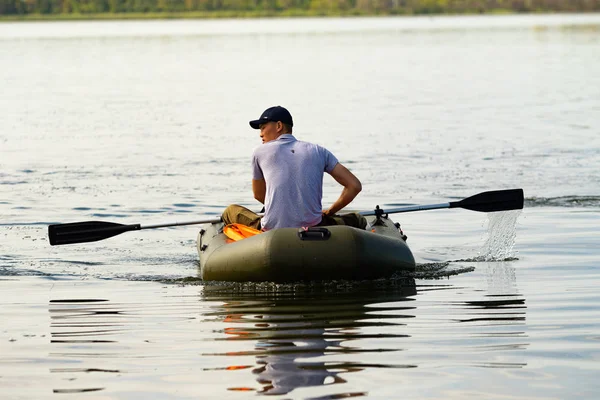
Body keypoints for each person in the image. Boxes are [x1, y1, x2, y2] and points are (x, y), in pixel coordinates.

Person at [222, 106, 366, 231]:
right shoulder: (318, 151)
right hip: (315, 226)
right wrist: (329, 212)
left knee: (230, 211)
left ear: (278, 126)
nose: (260, 134)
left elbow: (259, 195)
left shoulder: (259, 152)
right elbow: (354, 186)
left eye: (263, 127)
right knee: (358, 219)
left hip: (273, 229)